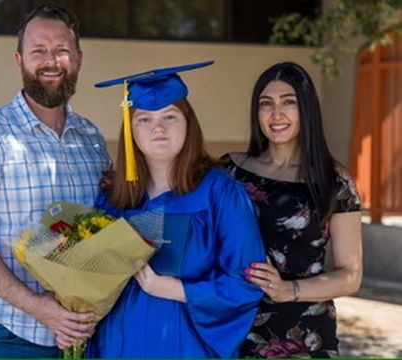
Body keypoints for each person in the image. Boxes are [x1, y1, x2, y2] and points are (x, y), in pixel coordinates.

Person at [0, 5, 111, 358]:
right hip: (9, 336)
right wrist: (40, 308)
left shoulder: (91, 139)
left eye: (61, 50)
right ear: (19, 59)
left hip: (81, 337)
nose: (51, 61)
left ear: (78, 59)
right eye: (38, 51)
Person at [86, 61, 266, 358]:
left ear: (188, 124)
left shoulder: (221, 194)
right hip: (118, 345)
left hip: (187, 347)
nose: (157, 128)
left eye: (170, 116)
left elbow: (247, 281)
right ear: (130, 130)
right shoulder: (114, 197)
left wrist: (176, 290)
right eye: (144, 119)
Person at [221, 61, 363, 358]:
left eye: (289, 102)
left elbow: (351, 274)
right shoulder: (230, 171)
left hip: (306, 334)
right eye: (266, 104)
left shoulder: (334, 181)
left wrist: (289, 290)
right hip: (231, 325)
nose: (276, 114)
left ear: (307, 110)